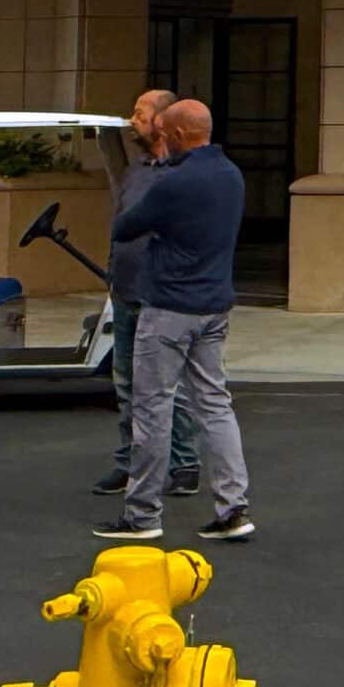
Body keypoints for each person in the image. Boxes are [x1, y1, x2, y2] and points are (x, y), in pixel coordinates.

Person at [94, 98, 253, 545]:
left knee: (152, 406)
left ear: (180, 135)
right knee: (215, 404)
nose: (160, 141)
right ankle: (233, 506)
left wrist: (162, 171)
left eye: (164, 134)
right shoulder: (230, 175)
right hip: (214, 304)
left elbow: (124, 227)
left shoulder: (172, 183)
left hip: (168, 307)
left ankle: (143, 513)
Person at [91, 88, 202, 500]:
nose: (131, 119)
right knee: (127, 382)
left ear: (161, 121)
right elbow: (122, 220)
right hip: (125, 288)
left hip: (162, 293)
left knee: (167, 384)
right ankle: (129, 462)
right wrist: (111, 266)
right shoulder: (136, 168)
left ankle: (184, 462)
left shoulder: (181, 173)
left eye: (139, 112)